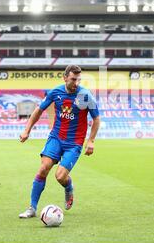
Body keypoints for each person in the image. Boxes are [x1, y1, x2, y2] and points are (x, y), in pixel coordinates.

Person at [19, 65, 100, 218]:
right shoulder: (55, 92)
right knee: (43, 169)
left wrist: (91, 141)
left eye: (78, 79)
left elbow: (96, 118)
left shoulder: (85, 95)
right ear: (65, 77)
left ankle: (68, 186)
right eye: (73, 79)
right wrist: (26, 130)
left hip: (74, 143)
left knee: (60, 176)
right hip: (56, 138)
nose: (76, 83)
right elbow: (39, 110)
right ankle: (32, 208)